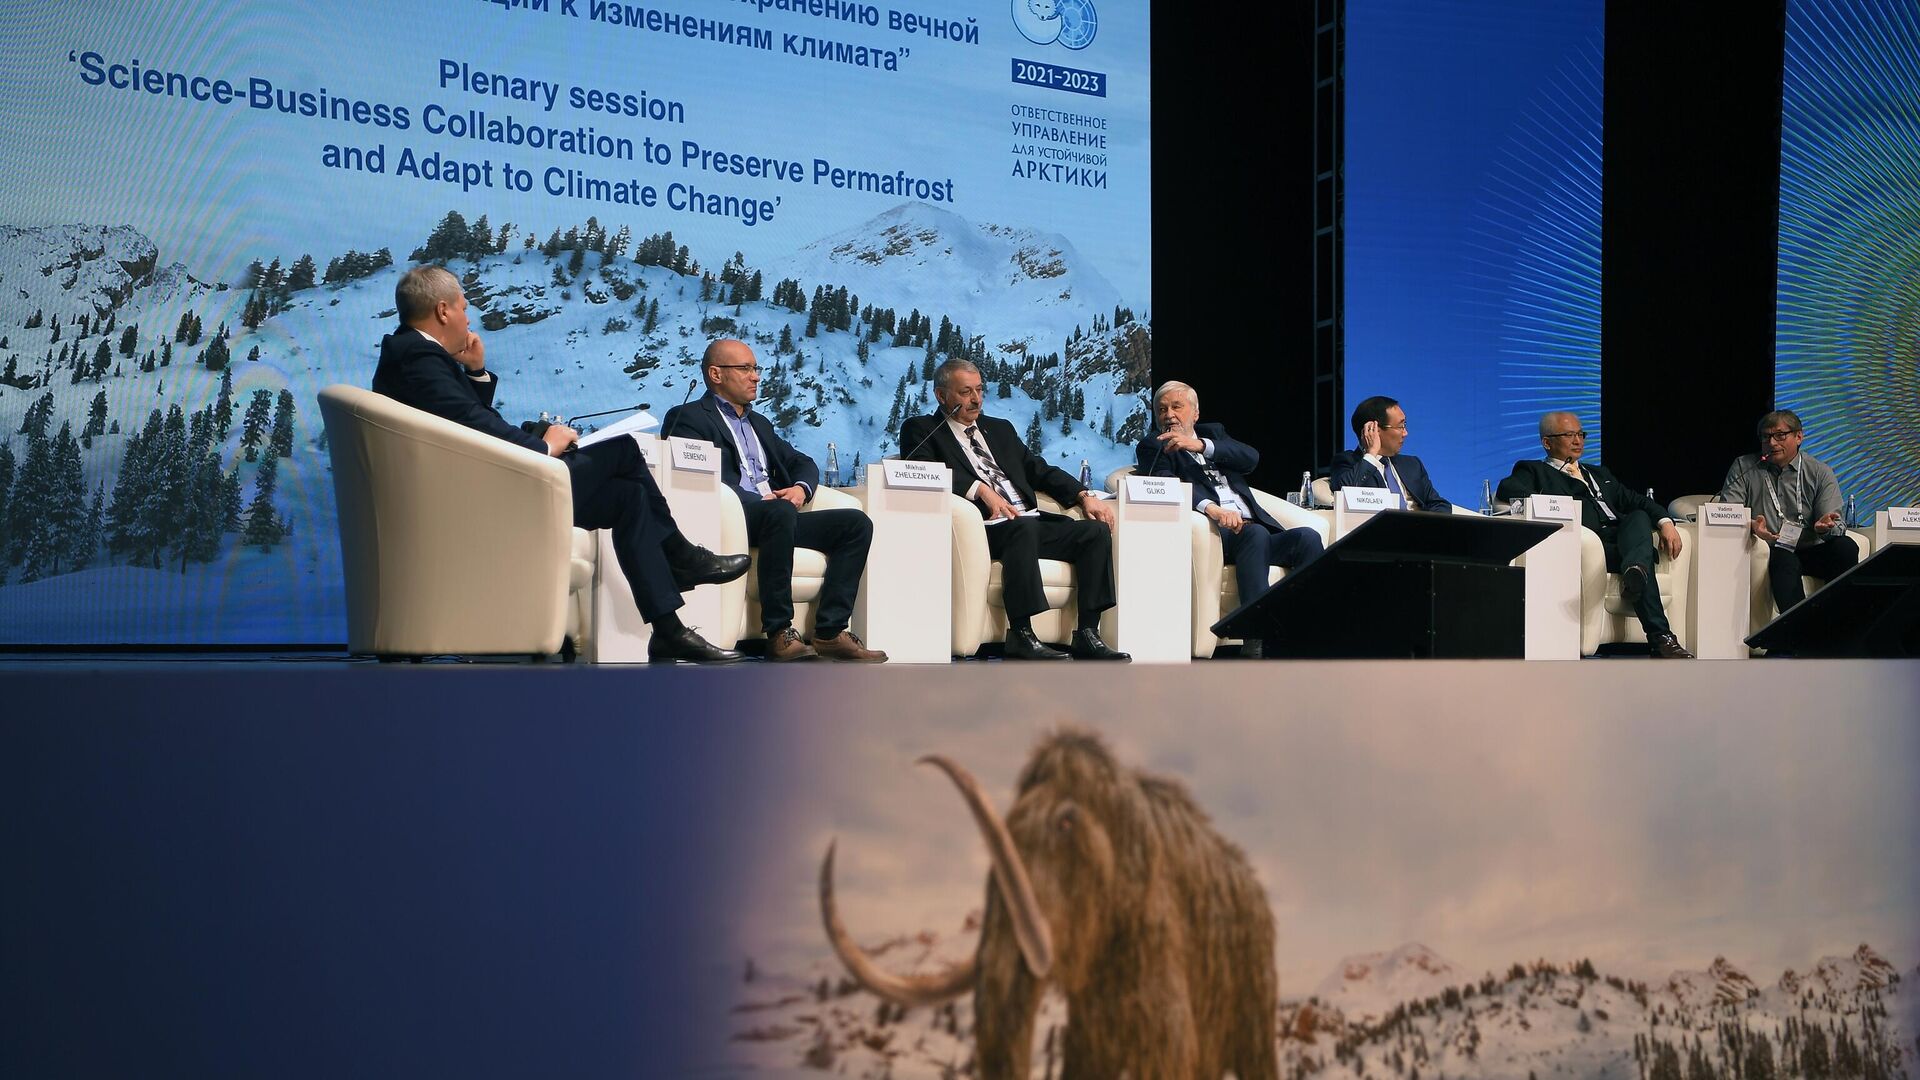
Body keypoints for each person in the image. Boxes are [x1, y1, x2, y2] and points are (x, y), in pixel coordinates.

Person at [372, 265, 749, 664]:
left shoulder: (415, 356)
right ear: (443, 310)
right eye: (465, 308)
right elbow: (475, 424)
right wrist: (544, 446)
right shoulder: (417, 357)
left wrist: (477, 371)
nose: (469, 318)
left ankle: (668, 630)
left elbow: (463, 425)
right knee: (622, 448)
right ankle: (680, 555)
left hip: (479, 484)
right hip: (481, 495)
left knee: (629, 496)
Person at [660, 339, 886, 662]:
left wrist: (800, 489)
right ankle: (779, 631)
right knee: (779, 512)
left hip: (777, 516)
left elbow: (803, 462)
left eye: (756, 368)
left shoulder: (759, 424)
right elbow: (697, 476)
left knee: (855, 524)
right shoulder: (690, 417)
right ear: (715, 374)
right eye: (745, 368)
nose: (756, 377)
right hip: (735, 514)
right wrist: (765, 504)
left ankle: (830, 632)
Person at [900, 359, 1128, 661]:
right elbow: (922, 469)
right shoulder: (922, 429)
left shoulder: (1000, 430)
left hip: (1025, 521)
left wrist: (1083, 495)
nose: (976, 399)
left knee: (1093, 532)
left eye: (979, 390)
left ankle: (1087, 632)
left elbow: (1039, 470)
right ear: (942, 396)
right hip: (983, 527)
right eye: (965, 392)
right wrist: (980, 490)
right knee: (1023, 527)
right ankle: (1021, 633)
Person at [1135, 381, 1323, 657]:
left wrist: (1199, 446)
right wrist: (1213, 509)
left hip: (1253, 529)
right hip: (1213, 532)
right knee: (1255, 534)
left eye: (1177, 406)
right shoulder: (1154, 445)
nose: (1169, 415)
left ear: (1195, 413)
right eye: (1162, 410)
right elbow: (1165, 486)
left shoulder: (1213, 435)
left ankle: (1311, 632)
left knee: (1307, 537)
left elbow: (1250, 459)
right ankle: (1255, 638)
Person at [1497, 411, 1694, 659]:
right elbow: (1509, 489)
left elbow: (1638, 500)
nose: (1578, 440)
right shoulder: (1534, 470)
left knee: (1639, 517)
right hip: (1589, 545)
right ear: (1547, 442)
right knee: (1639, 558)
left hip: (1624, 541)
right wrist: (1555, 502)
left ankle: (1636, 571)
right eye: (1569, 435)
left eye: (1581, 434)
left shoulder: (1600, 474)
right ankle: (1661, 637)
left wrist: (1666, 523)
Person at [1716, 409, 1857, 612]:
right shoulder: (1744, 467)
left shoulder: (1819, 471)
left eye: (1780, 435)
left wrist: (1824, 528)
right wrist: (1751, 527)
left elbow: (1835, 523)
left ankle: (1839, 624)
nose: (1772, 443)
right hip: (1773, 549)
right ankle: (1795, 635)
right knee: (1784, 560)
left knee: (1846, 548)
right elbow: (1728, 513)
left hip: (1813, 547)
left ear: (1799, 436)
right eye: (1766, 437)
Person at [1325, 396, 1452, 512]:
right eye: (1400, 426)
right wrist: (1371, 454)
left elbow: (1440, 504)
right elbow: (1346, 493)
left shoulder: (1412, 464)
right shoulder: (1347, 461)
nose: (1405, 433)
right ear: (1374, 430)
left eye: (1404, 425)